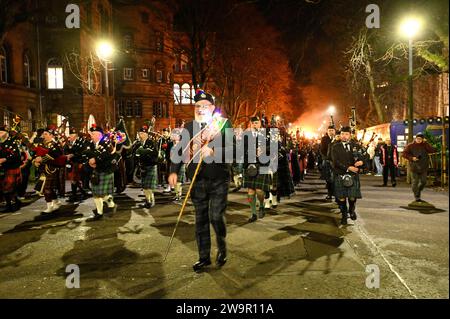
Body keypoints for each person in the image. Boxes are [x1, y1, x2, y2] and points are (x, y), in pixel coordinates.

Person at [169, 90, 232, 272]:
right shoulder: (189, 127)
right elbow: (179, 151)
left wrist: (213, 151)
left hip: (219, 178)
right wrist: (174, 171)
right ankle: (203, 256)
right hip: (197, 180)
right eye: (197, 106)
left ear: (212, 108)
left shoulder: (223, 124)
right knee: (201, 220)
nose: (200, 109)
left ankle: (222, 247)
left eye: (205, 106)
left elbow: (232, 149)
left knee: (215, 216)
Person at [330, 126, 367, 225]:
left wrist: (361, 162)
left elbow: (365, 156)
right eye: (342, 134)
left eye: (346, 134)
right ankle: (344, 215)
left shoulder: (356, 145)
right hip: (340, 174)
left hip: (353, 175)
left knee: (352, 196)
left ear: (350, 135)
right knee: (341, 197)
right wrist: (348, 167)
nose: (344, 136)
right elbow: (335, 162)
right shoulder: (335, 147)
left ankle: (351, 209)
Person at [84, 124, 117, 220]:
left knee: (99, 193)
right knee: (96, 193)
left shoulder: (107, 143)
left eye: (93, 134)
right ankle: (107, 204)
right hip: (96, 171)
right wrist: (90, 163)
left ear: (99, 134)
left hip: (106, 170)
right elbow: (86, 154)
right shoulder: (91, 144)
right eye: (91, 134)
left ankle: (100, 212)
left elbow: (109, 157)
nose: (91, 136)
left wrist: (96, 161)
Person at [243, 116, 272, 222]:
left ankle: (262, 206)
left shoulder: (267, 134)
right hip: (250, 164)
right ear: (251, 124)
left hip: (262, 164)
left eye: (257, 122)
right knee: (250, 191)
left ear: (260, 123)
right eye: (253, 123)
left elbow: (276, 146)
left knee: (259, 191)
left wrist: (264, 149)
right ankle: (253, 214)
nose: (255, 124)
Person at [33, 126, 65, 213]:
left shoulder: (55, 145)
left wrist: (41, 159)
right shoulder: (42, 144)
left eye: (46, 134)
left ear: (51, 135)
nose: (44, 136)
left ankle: (49, 206)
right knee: (49, 188)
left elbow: (55, 156)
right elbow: (36, 154)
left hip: (51, 169)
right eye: (44, 134)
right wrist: (35, 161)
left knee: (46, 188)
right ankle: (56, 202)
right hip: (43, 169)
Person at [402, 132, 436, 203]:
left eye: (420, 139)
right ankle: (417, 196)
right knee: (415, 181)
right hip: (414, 167)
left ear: (423, 139)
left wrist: (426, 143)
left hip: (424, 167)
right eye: (417, 138)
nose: (419, 140)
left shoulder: (425, 145)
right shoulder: (410, 146)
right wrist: (412, 158)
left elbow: (432, 150)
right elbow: (404, 154)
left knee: (424, 182)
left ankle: (418, 191)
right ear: (415, 138)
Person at [135, 125, 159, 208]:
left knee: (149, 187)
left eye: (142, 133)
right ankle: (147, 201)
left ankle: (151, 201)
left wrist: (144, 152)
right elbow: (135, 154)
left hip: (150, 166)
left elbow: (155, 154)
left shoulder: (151, 142)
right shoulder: (138, 143)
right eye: (140, 133)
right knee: (144, 186)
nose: (140, 135)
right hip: (143, 167)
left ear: (146, 134)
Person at [0, 125, 22, 212]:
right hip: (3, 169)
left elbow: (17, 156)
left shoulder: (12, 143)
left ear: (5, 134)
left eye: (1, 133)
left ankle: (14, 203)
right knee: (3, 188)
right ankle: (10, 204)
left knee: (9, 188)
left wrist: (5, 159)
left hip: (12, 168)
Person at [65, 128, 89, 202]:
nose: (70, 137)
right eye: (70, 135)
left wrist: (73, 155)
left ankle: (75, 195)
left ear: (75, 136)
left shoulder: (80, 143)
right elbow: (65, 150)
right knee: (73, 179)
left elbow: (82, 153)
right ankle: (82, 193)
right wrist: (67, 155)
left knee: (75, 179)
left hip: (78, 163)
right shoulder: (68, 143)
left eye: (71, 135)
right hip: (71, 163)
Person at [320, 126, 336, 200]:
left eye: (332, 130)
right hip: (327, 160)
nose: (331, 132)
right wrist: (326, 158)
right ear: (327, 131)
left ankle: (337, 194)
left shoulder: (337, 138)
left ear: (334, 131)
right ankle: (329, 193)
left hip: (336, 161)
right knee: (328, 178)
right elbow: (322, 150)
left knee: (336, 179)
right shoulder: (324, 139)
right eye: (329, 130)